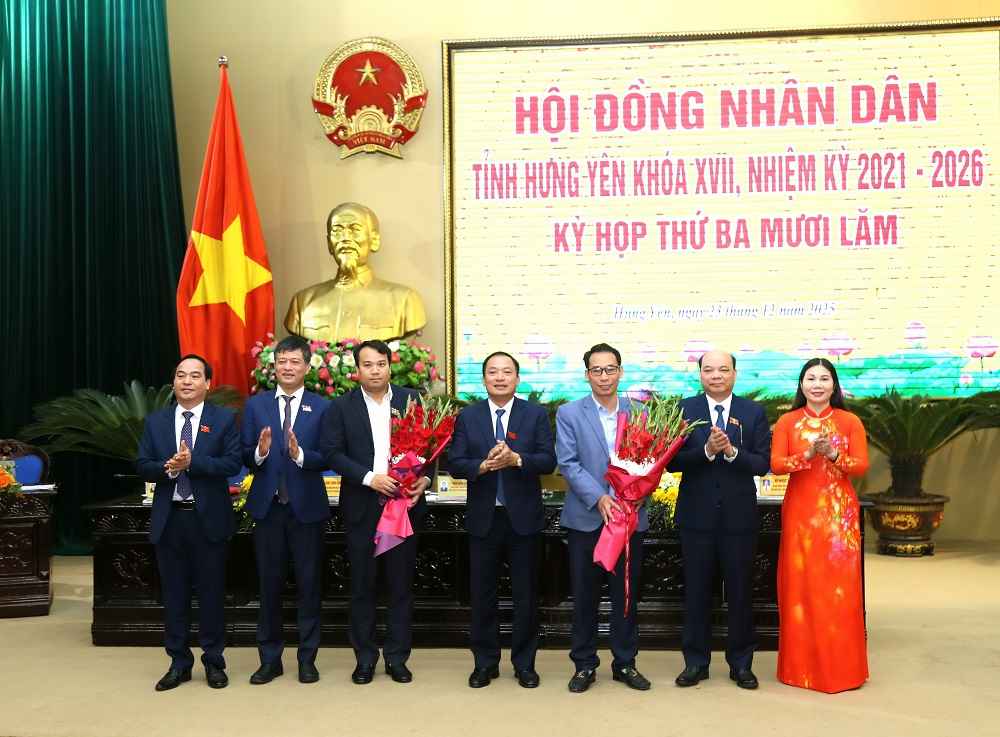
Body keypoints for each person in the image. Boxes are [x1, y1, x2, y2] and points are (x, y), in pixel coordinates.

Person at [320, 339, 431, 684]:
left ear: (389, 365)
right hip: (362, 508)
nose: (375, 370)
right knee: (362, 587)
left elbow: (432, 444)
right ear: (357, 370)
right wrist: (369, 478)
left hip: (404, 506)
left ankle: (397, 658)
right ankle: (365, 658)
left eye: (381, 364)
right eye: (367, 365)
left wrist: (425, 479)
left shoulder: (412, 399)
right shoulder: (340, 407)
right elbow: (332, 452)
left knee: (400, 586)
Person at [448, 351, 557, 689]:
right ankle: (485, 663)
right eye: (492, 372)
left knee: (526, 594)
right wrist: (481, 467)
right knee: (482, 594)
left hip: (523, 519)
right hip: (484, 519)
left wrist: (516, 459)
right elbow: (455, 462)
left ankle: (524, 663)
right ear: (483, 380)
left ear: (517, 378)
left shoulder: (535, 415)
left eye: (506, 372)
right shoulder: (469, 417)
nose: (499, 377)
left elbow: (548, 460)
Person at [136, 354, 241, 691]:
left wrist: (194, 463)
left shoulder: (223, 420)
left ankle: (214, 662)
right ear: (174, 382)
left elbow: (231, 464)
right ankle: (179, 663)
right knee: (175, 596)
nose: (187, 381)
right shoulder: (156, 421)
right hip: (171, 521)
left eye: (195, 376)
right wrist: (167, 467)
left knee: (211, 595)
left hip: (208, 519)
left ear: (207, 383)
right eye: (181, 375)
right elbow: (142, 463)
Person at [669, 350, 770, 690]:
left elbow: (761, 463)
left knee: (740, 593)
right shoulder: (685, 410)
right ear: (699, 374)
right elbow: (671, 462)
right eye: (708, 370)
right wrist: (708, 451)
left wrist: (731, 453)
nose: (716, 375)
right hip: (695, 518)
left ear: (735, 374)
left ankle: (741, 664)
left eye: (723, 369)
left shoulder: (753, 412)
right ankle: (695, 663)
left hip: (738, 519)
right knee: (696, 592)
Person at [556, 343, 651, 693]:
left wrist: (637, 496)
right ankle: (584, 665)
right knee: (585, 596)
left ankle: (625, 663)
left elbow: (652, 463)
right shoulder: (569, 413)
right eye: (597, 370)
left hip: (629, 520)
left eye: (610, 369)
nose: (604, 376)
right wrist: (598, 499)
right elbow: (568, 463)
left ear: (621, 372)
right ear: (587, 375)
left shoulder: (640, 412)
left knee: (626, 596)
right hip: (586, 520)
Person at [771, 358, 869, 693]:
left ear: (834, 384)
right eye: (810, 378)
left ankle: (844, 670)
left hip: (839, 517)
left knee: (840, 591)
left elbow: (861, 466)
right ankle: (800, 670)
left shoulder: (850, 421)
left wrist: (833, 456)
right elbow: (776, 465)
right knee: (800, 588)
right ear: (801, 385)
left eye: (824, 378)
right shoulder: (787, 421)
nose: (817, 384)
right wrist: (808, 454)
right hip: (800, 514)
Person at [240, 335, 331, 685]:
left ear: (307, 367)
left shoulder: (322, 407)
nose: (287, 367)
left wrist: (299, 455)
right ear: (273, 366)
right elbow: (246, 455)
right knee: (269, 586)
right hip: (268, 509)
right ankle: (270, 659)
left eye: (295, 362)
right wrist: (261, 452)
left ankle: (307, 659)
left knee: (309, 586)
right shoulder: (256, 405)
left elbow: (329, 455)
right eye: (282, 361)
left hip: (306, 509)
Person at [284, 202, 426, 342]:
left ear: (374, 240)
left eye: (355, 229)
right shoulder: (303, 302)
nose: (345, 238)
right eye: (337, 231)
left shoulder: (404, 301)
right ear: (329, 244)